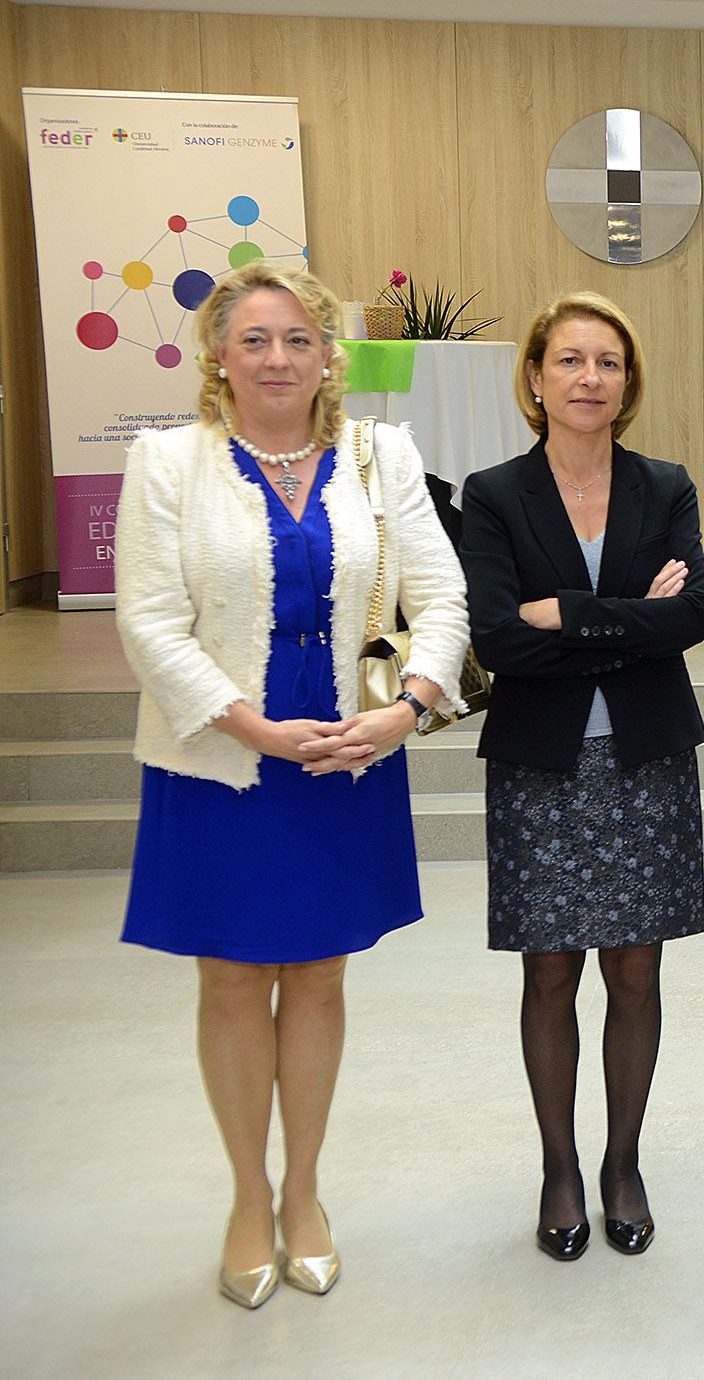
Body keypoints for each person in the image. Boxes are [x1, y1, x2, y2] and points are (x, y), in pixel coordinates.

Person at [113, 261, 468, 1308]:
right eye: (254, 339)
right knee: (229, 979)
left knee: (318, 975)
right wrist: (253, 727)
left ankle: (305, 1192)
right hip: (223, 757)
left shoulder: (379, 454)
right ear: (218, 356)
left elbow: (441, 596)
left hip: (348, 750)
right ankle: (245, 1197)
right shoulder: (168, 461)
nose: (277, 358)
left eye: (297, 340)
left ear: (328, 357)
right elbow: (148, 621)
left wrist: (407, 706)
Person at [460, 292, 704, 1261]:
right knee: (551, 970)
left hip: (645, 755)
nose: (588, 379)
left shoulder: (665, 486)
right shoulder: (493, 494)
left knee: (637, 969)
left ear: (628, 381)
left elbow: (688, 622)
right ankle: (560, 1167)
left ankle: (622, 1162)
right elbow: (494, 640)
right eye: (568, 360)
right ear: (534, 377)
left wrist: (560, 614)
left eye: (606, 362)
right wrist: (618, 619)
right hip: (542, 761)